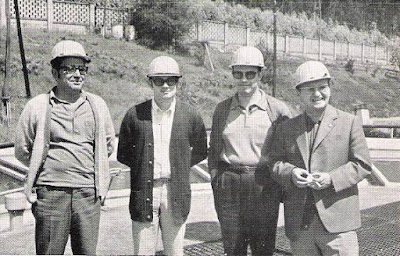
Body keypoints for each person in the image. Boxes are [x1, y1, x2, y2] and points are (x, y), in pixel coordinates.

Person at [15, 40, 116, 255]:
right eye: (69, 69)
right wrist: (44, 171)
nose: (77, 74)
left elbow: (107, 147)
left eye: (82, 69)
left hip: (87, 195)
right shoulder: (38, 106)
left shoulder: (97, 105)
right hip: (51, 195)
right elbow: (22, 150)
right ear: (55, 73)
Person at [267, 60, 372, 255]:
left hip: (339, 226)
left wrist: (331, 179)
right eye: (309, 89)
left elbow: (363, 164)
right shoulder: (287, 128)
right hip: (301, 227)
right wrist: (291, 173)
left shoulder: (349, 122)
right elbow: (274, 163)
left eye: (322, 87)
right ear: (298, 93)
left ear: (330, 88)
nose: (317, 94)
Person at [117, 56, 208, 256]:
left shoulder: (190, 115)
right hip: (144, 191)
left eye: (171, 80)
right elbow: (123, 153)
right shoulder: (135, 115)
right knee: (143, 251)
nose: (165, 85)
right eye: (159, 81)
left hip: (175, 192)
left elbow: (201, 149)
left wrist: (180, 164)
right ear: (150, 82)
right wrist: (144, 166)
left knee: (175, 252)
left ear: (178, 82)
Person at [208, 46, 292, 256]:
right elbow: (214, 149)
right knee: (233, 248)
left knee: (263, 248)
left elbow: (289, 151)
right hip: (229, 183)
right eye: (238, 74)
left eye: (250, 74)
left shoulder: (277, 109)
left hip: (263, 183)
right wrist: (216, 180)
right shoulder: (222, 109)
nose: (244, 79)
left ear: (260, 74)